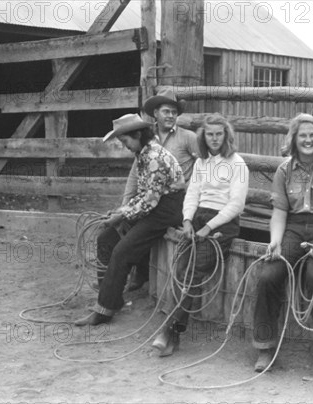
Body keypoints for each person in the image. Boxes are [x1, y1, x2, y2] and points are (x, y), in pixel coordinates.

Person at [251, 113, 313, 381]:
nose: (308, 140)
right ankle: (265, 347)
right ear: (294, 139)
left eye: (312, 135)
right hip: (293, 227)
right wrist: (276, 242)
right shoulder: (284, 170)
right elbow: (280, 213)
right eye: (302, 135)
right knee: (269, 276)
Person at [152, 113, 249, 357]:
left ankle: (169, 331)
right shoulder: (202, 163)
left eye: (219, 134)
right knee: (179, 268)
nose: (215, 139)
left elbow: (236, 205)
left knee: (194, 272)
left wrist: (209, 228)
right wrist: (187, 220)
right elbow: (193, 193)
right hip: (198, 219)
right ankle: (173, 334)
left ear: (226, 135)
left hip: (223, 222)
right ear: (203, 136)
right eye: (210, 134)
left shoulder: (237, 164)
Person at [75, 114, 186, 326]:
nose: (124, 146)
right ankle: (109, 299)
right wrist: (121, 211)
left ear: (137, 135)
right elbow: (144, 195)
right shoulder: (143, 154)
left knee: (122, 251)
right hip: (153, 206)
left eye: (125, 141)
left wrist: (122, 215)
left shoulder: (154, 157)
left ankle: (104, 311)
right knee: (106, 239)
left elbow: (150, 201)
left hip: (166, 210)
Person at [118, 89, 199, 292]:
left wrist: (187, 187)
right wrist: (125, 204)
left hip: (179, 200)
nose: (170, 116)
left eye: (174, 112)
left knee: (145, 222)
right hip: (152, 198)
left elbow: (205, 168)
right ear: (155, 113)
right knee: (128, 221)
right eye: (166, 111)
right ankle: (136, 272)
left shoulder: (188, 138)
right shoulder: (146, 137)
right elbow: (135, 174)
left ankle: (139, 274)